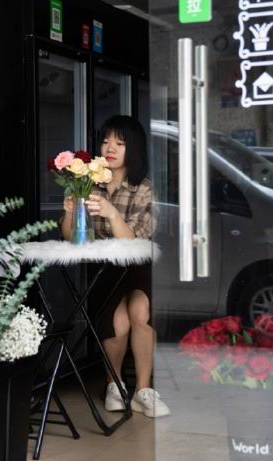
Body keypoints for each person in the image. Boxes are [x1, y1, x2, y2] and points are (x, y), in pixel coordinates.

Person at [60, 115, 170, 418]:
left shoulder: (144, 189)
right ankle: (114, 384)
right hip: (104, 269)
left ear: (133, 149)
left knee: (140, 311)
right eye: (106, 141)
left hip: (137, 266)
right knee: (118, 323)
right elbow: (71, 238)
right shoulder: (88, 184)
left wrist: (111, 213)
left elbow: (134, 239)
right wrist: (70, 213)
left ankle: (143, 390)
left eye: (119, 143)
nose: (110, 148)